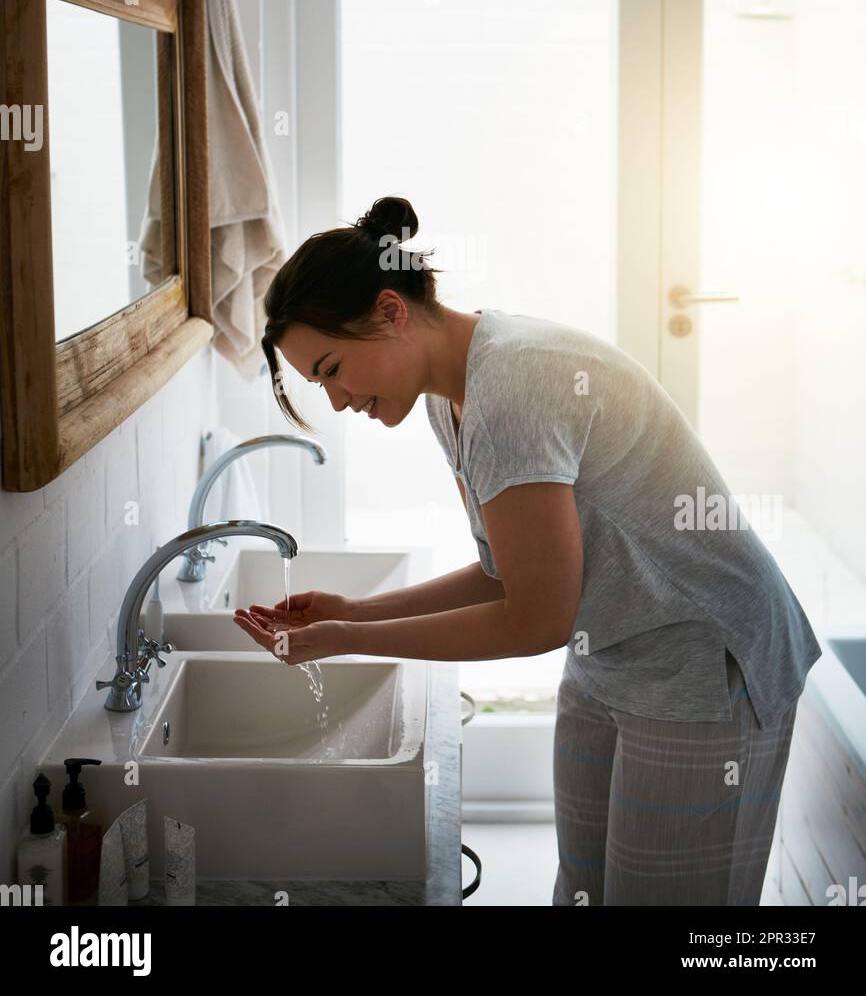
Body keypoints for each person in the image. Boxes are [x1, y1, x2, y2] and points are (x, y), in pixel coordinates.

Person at [233, 194, 823, 906]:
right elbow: (504, 577)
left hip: (706, 657)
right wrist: (355, 609)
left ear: (390, 312)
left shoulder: (509, 388)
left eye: (331, 369)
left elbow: (534, 621)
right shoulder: (450, 399)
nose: (336, 401)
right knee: (584, 891)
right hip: (615, 650)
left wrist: (349, 637)